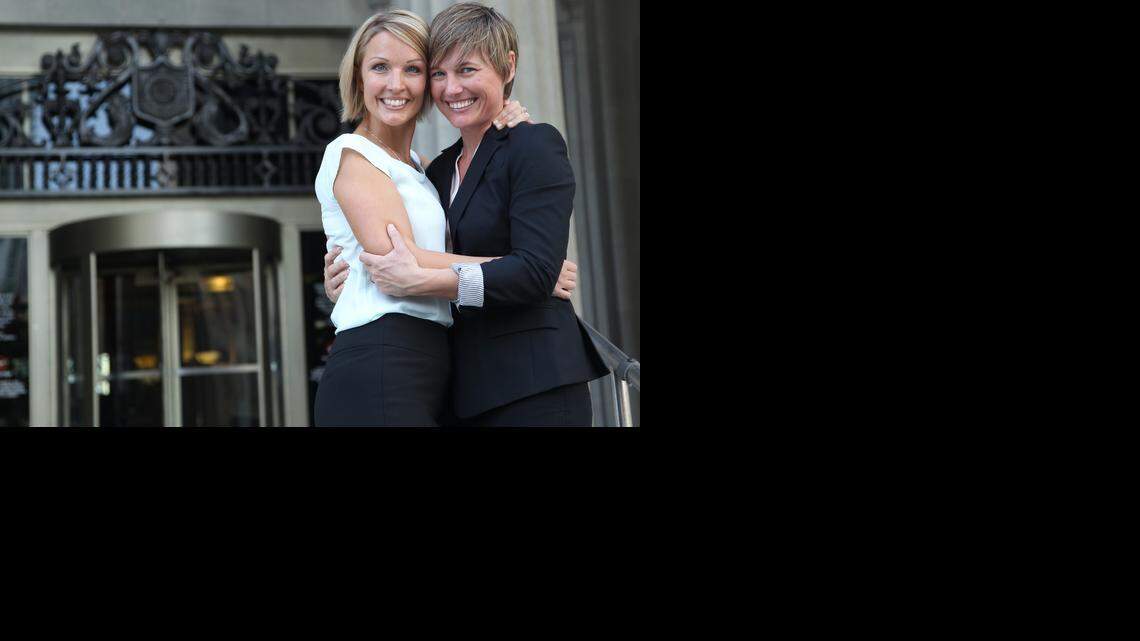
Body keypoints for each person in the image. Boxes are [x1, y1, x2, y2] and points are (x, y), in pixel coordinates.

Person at [339, 3, 607, 427]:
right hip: (463, 392)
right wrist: (344, 271)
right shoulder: (437, 170)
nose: (451, 89)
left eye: (467, 70)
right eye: (440, 74)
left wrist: (423, 280)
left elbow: (536, 270)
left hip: (534, 384)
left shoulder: (533, 145)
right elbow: (413, 246)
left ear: (507, 66)